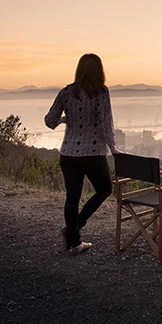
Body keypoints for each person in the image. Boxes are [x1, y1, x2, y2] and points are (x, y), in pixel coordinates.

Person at [44, 53, 116, 255]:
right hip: (93, 153)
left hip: (68, 154)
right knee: (104, 189)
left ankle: (75, 242)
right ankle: (73, 229)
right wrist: (113, 147)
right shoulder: (101, 92)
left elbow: (50, 121)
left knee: (72, 198)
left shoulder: (66, 92)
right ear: (99, 70)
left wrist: (67, 118)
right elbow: (105, 122)